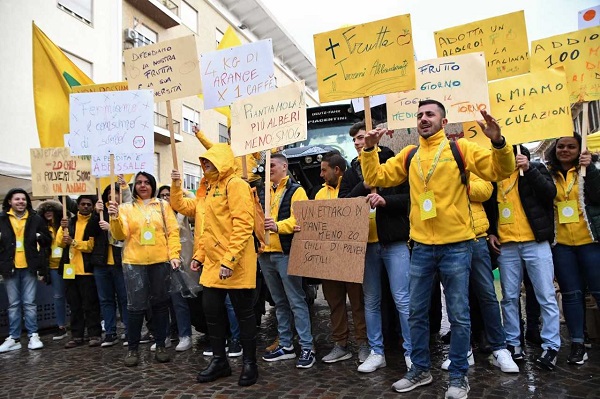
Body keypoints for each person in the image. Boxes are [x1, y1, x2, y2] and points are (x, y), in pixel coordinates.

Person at [361, 100, 514, 398]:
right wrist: (368, 151)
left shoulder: (461, 149)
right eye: (419, 115)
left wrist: (498, 141)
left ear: (443, 123)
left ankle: (458, 376)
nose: (423, 119)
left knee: (459, 314)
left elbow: (499, 170)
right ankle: (419, 370)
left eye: (430, 114)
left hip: (457, 245)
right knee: (417, 313)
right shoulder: (410, 154)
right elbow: (375, 178)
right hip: (420, 247)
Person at [171, 143, 258, 386]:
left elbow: (243, 226)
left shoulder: (236, 184)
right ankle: (220, 361)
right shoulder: (208, 189)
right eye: (203, 162)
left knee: (243, 313)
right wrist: (199, 255)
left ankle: (250, 363)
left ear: (221, 160)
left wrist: (230, 260)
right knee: (211, 310)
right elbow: (206, 228)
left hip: (237, 261)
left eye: (209, 161)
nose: (205, 165)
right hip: (212, 263)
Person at [339, 121, 412, 373]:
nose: (358, 143)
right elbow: (344, 204)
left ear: (373, 138)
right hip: (366, 245)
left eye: (361, 138)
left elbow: (409, 199)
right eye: (355, 140)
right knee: (371, 300)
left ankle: (412, 352)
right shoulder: (351, 172)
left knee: (402, 299)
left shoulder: (393, 162)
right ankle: (376, 351)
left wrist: (385, 201)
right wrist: (366, 182)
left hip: (394, 241)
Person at [487, 145, 561, 371]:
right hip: (507, 246)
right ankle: (513, 342)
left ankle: (551, 346)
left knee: (545, 294)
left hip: (535, 243)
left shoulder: (534, 168)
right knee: (508, 297)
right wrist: (491, 231)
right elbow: (489, 208)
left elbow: (550, 194)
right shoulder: (493, 176)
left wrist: (528, 169)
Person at [439, 175, 519, 374]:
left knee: (488, 295)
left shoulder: (470, 160)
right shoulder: (433, 162)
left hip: (477, 239)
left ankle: (500, 348)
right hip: (449, 239)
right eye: (449, 139)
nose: (452, 141)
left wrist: (457, 184)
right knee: (456, 299)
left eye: (456, 139)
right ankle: (463, 349)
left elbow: (485, 191)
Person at [108, 171, 181, 366]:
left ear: (153, 185)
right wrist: (114, 218)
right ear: (134, 186)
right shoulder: (125, 208)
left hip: (160, 261)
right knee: (135, 308)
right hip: (134, 262)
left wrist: (174, 255)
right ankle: (132, 348)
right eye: (139, 182)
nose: (142, 185)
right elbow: (120, 235)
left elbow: (173, 232)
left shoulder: (163, 206)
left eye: (146, 182)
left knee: (160, 305)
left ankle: (161, 345)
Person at [545, 133, 600, 365]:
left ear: (580, 149)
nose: (565, 150)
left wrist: (593, 171)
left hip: (591, 242)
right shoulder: (548, 174)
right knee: (571, 295)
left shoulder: (590, 170)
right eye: (561, 146)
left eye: (571, 146)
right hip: (563, 246)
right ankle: (578, 343)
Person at [260, 153, 315, 369]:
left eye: (272, 165)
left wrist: (277, 226)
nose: (268, 169)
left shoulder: (296, 190)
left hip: (286, 252)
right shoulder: (265, 192)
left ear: (284, 167)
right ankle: (286, 345)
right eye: (266, 166)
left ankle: (307, 347)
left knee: (296, 300)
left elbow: (299, 219)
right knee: (280, 302)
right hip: (266, 254)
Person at [314, 151, 368, 364]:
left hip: (350, 256)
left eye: (324, 170)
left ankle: (363, 343)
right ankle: (341, 344)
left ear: (337, 170)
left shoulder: (353, 187)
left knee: (358, 303)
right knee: (334, 303)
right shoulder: (319, 194)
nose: (321, 175)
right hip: (329, 260)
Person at [0, 188, 51, 353]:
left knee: (29, 303)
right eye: (17, 199)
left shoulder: (35, 218)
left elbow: (47, 240)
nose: (21, 202)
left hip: (29, 265)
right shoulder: (2, 219)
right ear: (10, 201)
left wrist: (39, 237)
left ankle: (33, 335)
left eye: (23, 199)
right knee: (13, 304)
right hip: (10, 266)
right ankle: (14, 338)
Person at [57, 195, 103, 349]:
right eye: (82, 204)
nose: (85, 207)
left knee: (90, 305)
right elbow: (59, 243)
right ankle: (76, 335)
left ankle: (94, 334)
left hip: (86, 270)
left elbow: (90, 246)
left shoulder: (93, 222)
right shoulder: (69, 222)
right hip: (70, 270)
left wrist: (74, 242)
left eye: (88, 204)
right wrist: (61, 228)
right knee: (74, 305)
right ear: (77, 206)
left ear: (92, 206)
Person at [156, 184, 195, 352]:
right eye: (162, 195)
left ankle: (185, 335)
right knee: (161, 302)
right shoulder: (155, 216)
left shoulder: (182, 214)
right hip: (158, 261)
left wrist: (182, 190)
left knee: (179, 301)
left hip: (178, 262)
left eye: (168, 195)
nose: (165, 198)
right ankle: (163, 336)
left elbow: (196, 205)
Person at [93, 181, 130, 347]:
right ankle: (110, 332)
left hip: (119, 261)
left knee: (124, 298)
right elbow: (89, 232)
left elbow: (128, 234)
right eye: (108, 192)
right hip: (101, 262)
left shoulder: (125, 210)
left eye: (115, 192)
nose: (111, 195)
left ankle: (130, 331)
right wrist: (96, 214)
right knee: (106, 300)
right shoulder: (100, 211)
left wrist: (111, 227)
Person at [37, 199, 69, 341]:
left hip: (68, 264)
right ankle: (61, 326)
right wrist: (43, 271)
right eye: (45, 212)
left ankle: (78, 324)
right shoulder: (42, 228)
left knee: (74, 295)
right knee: (58, 296)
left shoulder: (65, 225)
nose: (48, 214)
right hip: (53, 266)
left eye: (51, 211)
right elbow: (42, 250)